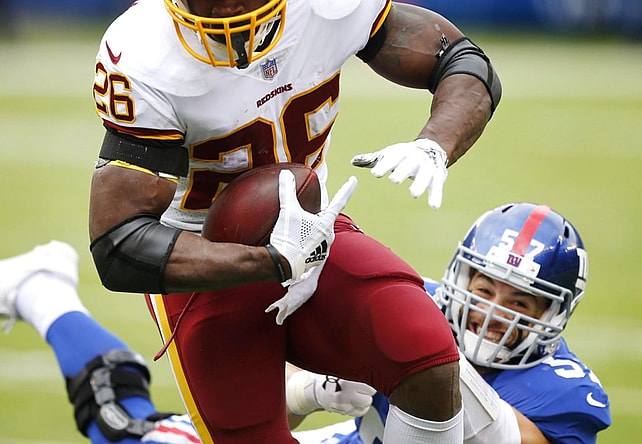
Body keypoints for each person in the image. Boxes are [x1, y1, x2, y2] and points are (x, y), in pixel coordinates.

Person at [88, 0, 501, 442]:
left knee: (424, 353)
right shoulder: (145, 51)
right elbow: (119, 243)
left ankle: (300, 391)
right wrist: (271, 262)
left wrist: (434, 144)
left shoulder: (326, 8)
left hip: (313, 231)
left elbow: (460, 59)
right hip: (197, 257)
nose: (224, 8)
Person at [290, 202, 612, 443]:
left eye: (518, 302)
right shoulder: (416, 303)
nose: (492, 312)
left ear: (550, 313)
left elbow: (507, 439)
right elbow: (266, 401)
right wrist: (310, 391)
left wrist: (416, 347)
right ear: (462, 279)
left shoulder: (566, 389)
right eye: (484, 290)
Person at [0, 240, 376, 444]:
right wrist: (308, 390)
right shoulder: (418, 306)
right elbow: (265, 392)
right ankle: (41, 290)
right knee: (125, 426)